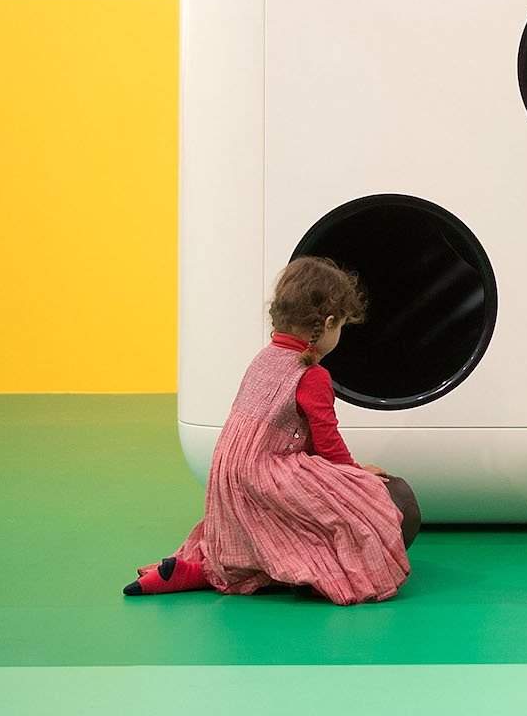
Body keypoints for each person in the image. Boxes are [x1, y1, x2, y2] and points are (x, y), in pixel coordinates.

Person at [124, 256, 417, 605]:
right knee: (392, 501)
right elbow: (328, 445)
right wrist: (358, 476)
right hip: (268, 477)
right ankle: (319, 570)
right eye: (341, 327)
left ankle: (195, 571)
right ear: (327, 323)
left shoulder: (264, 359)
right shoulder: (312, 375)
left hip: (231, 482)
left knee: (281, 527)